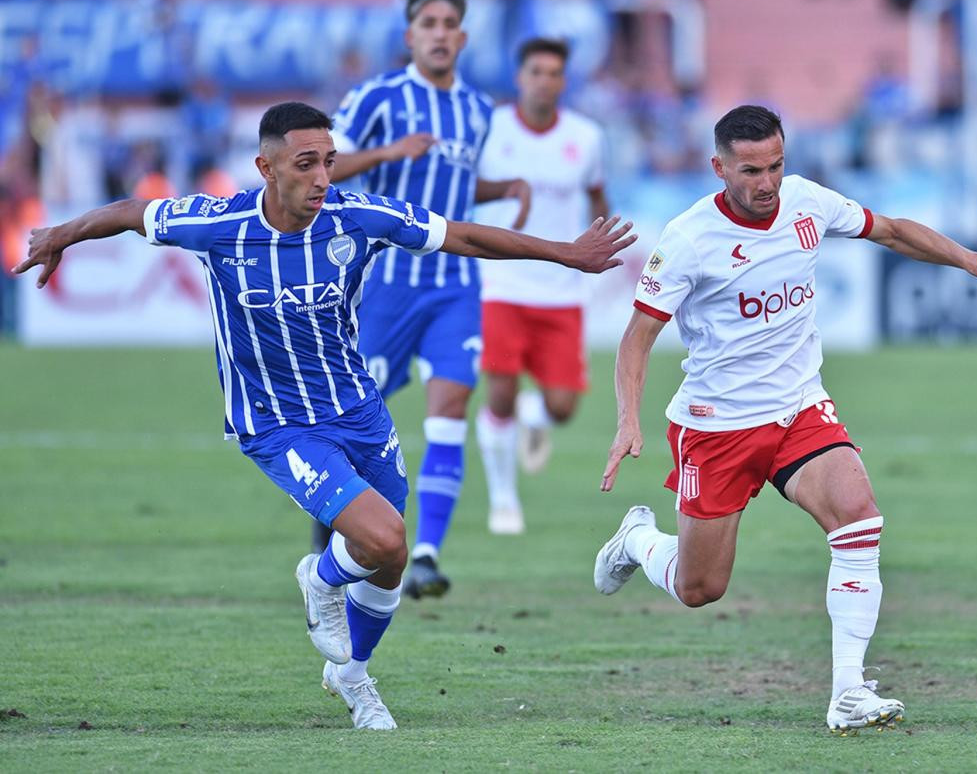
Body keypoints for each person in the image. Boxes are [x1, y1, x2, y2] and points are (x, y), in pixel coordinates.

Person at [14, 101, 635, 730]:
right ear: (265, 167)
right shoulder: (215, 223)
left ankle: (353, 677)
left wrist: (564, 252)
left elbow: (463, 235)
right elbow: (129, 213)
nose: (322, 178)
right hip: (275, 423)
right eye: (305, 164)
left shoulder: (357, 219)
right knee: (385, 538)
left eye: (329, 163)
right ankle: (321, 576)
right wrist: (61, 233)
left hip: (358, 411)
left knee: (388, 561)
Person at [593, 105, 977, 734]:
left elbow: (888, 230)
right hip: (718, 426)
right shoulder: (689, 238)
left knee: (859, 517)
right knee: (700, 588)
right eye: (751, 170)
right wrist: (628, 421)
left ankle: (848, 691)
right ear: (718, 167)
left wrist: (974, 261)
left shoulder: (806, 202)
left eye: (776, 164)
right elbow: (637, 337)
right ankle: (638, 541)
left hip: (800, 406)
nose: (767, 182)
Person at [324, 0, 531, 597]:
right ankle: (335, 528)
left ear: (462, 37)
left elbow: (454, 188)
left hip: (454, 283)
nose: (440, 32)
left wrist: (504, 187)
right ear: (410, 35)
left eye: (450, 23)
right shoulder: (377, 97)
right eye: (429, 23)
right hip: (385, 281)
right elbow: (321, 164)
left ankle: (425, 556)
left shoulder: (476, 108)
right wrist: (392, 151)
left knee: (448, 413)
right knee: (354, 419)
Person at [474, 37, 609, 535]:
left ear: (563, 81)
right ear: (519, 77)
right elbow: (464, 187)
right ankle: (504, 499)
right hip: (501, 279)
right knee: (500, 392)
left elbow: (598, 194)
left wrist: (602, 241)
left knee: (561, 407)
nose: (545, 81)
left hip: (560, 286)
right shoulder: (491, 130)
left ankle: (538, 415)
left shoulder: (587, 136)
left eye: (554, 73)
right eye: (536, 71)